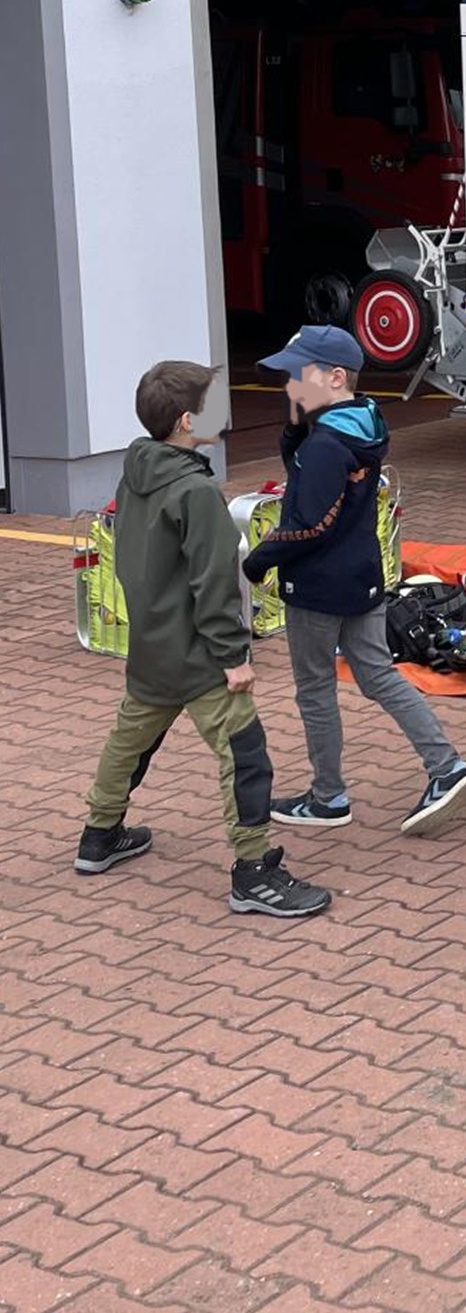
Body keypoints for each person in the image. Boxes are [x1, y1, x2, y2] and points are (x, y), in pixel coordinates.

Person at [75, 360, 331, 920]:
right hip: (200, 655)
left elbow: (134, 563)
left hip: (152, 644)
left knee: (131, 737)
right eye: (214, 404)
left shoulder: (136, 470)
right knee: (244, 755)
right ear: (188, 421)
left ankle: (100, 834)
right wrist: (232, 656)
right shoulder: (195, 491)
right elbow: (214, 582)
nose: (225, 412)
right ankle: (253, 871)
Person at [241, 325, 466, 836]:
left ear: (332, 377)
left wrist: (259, 559)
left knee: (315, 688)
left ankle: (328, 797)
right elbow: (324, 493)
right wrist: (294, 435)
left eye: (295, 377)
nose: (288, 388)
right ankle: (447, 765)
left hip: (318, 585)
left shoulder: (326, 444)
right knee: (378, 674)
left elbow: (309, 521)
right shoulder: (361, 424)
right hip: (363, 574)